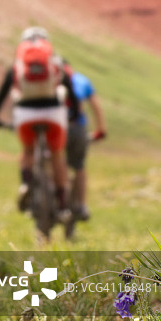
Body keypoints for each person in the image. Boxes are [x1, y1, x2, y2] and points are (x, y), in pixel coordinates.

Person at [0, 27, 79, 223]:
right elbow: (70, 90)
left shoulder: (17, 65)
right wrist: (75, 115)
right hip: (53, 113)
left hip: (25, 113)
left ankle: (26, 182)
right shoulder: (55, 62)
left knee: (28, 150)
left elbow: (2, 93)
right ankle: (63, 205)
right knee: (57, 155)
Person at [64, 62, 106, 221]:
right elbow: (96, 107)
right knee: (79, 165)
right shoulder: (81, 80)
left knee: (56, 159)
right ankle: (81, 205)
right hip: (78, 128)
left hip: (56, 128)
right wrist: (100, 131)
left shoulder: (51, 81)